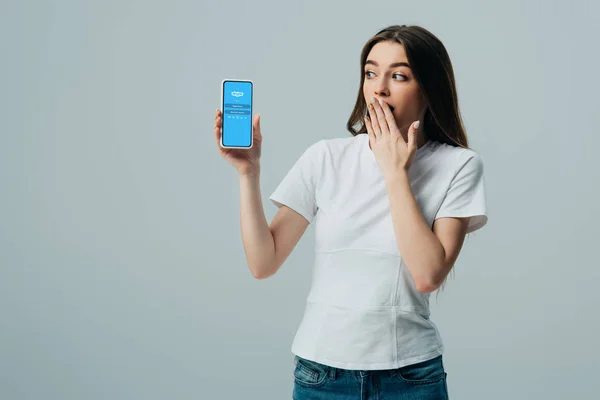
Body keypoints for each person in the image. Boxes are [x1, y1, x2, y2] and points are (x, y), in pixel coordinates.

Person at [214, 24, 487, 400]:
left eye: (399, 76)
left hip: (410, 378)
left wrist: (395, 172)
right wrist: (249, 172)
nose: (380, 87)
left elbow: (427, 274)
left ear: (428, 89)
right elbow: (264, 262)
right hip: (322, 376)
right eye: (371, 73)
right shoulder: (326, 157)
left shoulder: (459, 165)